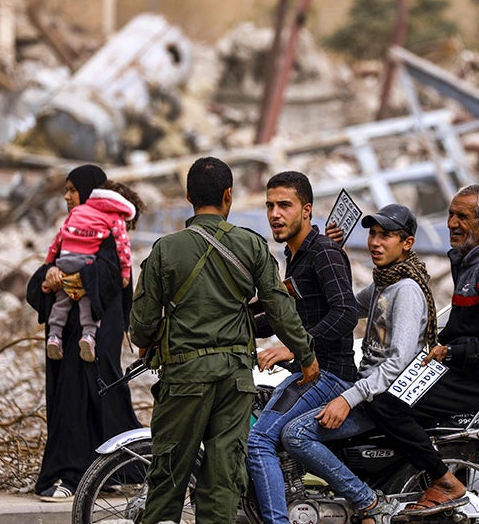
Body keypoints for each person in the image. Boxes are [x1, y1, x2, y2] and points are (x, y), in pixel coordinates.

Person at [128, 156, 321, 524]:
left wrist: (149, 340)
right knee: (223, 480)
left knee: (168, 477)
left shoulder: (165, 250)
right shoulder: (251, 245)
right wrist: (306, 355)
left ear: (188, 196)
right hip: (234, 381)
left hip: (183, 380)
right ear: (228, 195)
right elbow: (280, 308)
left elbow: (141, 325)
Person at [364, 184, 479, 516]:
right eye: (451, 215)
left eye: (462, 217)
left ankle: (443, 481)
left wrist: (450, 353)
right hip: (460, 368)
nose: (452, 223)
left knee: (385, 404)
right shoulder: (468, 260)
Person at [282, 203, 438, 524]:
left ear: (407, 243)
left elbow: (397, 363)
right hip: (367, 389)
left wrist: (347, 398)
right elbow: (347, 308)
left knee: (295, 434)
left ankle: (369, 503)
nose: (375, 243)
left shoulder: (407, 290)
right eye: (373, 234)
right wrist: (332, 255)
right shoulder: (384, 282)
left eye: (386, 236)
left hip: (381, 399)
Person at [25, 164, 144, 501]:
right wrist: (49, 277)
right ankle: (83, 472)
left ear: (90, 192)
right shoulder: (71, 231)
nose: (66, 197)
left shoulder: (108, 233)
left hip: (95, 338)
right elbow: (43, 276)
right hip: (66, 340)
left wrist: (71, 276)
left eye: (72, 190)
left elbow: (114, 278)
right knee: (70, 401)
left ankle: (79, 475)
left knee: (93, 400)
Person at [247, 171, 359, 524]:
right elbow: (285, 315)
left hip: (330, 375)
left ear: (306, 210)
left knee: (258, 441)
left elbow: (346, 312)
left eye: (285, 205)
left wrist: (297, 349)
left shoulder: (324, 252)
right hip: (310, 372)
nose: (275, 214)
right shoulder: (295, 254)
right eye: (269, 206)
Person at [44, 180, 140, 362]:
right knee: (89, 301)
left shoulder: (78, 214)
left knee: (61, 302)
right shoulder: (113, 224)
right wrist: (125, 273)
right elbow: (123, 248)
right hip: (84, 266)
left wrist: (50, 263)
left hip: (65, 262)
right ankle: (88, 335)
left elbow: (59, 237)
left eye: (73, 190)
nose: (66, 196)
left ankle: (54, 336)